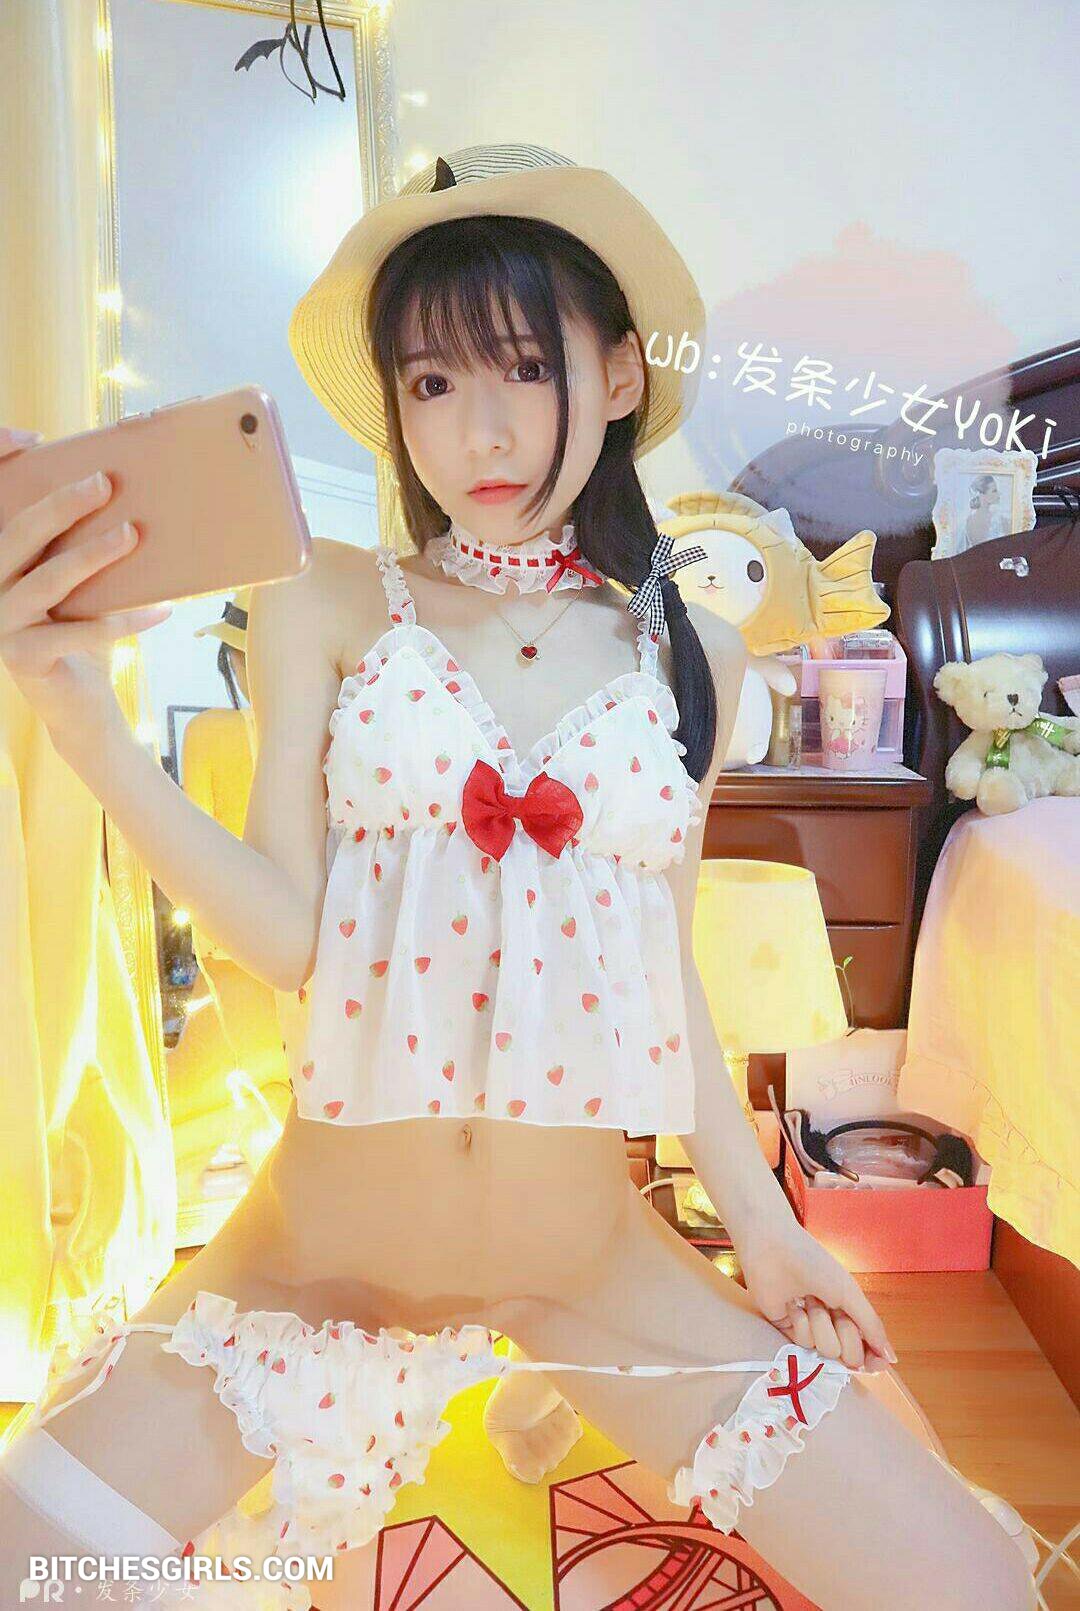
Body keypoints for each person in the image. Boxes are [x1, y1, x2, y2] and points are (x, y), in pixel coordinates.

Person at [0, 145, 1039, 1610]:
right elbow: (291, 937)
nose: (474, 430)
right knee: (27, 1569)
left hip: (590, 1270)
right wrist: (80, 722)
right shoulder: (326, 595)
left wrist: (766, 1228)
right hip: (306, 1272)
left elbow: (664, 976)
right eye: (430, 382)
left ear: (615, 375)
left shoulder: (693, 653)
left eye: (521, 368)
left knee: (969, 1590)